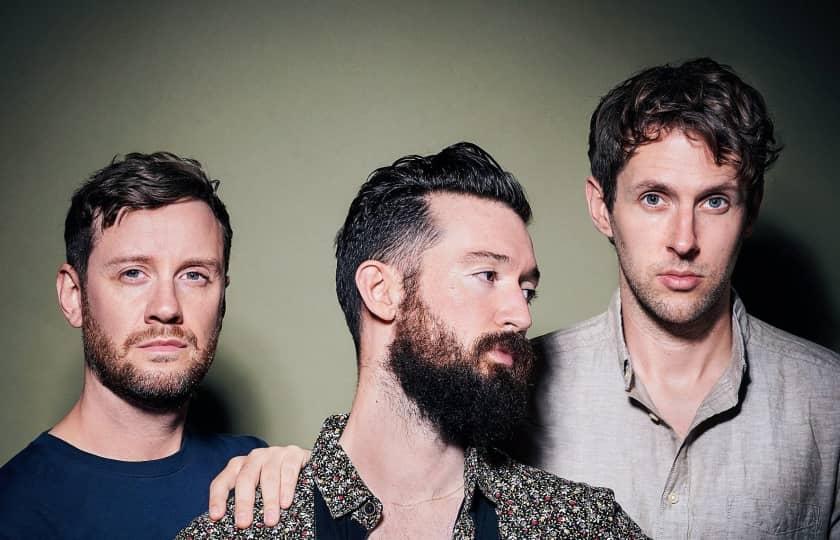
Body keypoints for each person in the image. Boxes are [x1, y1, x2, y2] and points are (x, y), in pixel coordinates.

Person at [180, 142, 647, 538]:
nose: (521, 316)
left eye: (527, 290)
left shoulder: (580, 524)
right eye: (487, 275)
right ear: (382, 291)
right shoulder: (249, 529)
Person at [522, 57, 840, 538]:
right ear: (601, 207)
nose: (684, 240)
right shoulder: (515, 391)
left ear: (750, 211)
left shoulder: (829, 398)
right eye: (654, 198)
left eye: (715, 201)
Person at [0, 152, 281, 539]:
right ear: (73, 296)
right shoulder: (13, 511)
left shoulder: (256, 476)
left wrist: (316, 497)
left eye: (194, 275)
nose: (166, 308)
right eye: (133, 273)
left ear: (222, 298)